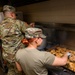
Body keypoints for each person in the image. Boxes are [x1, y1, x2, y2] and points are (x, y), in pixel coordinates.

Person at [0, 5, 30, 75]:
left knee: (11, 70)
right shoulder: (18, 23)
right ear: (12, 14)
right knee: (20, 72)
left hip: (6, 55)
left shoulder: (1, 25)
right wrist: (29, 25)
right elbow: (30, 32)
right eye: (15, 14)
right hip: (17, 56)